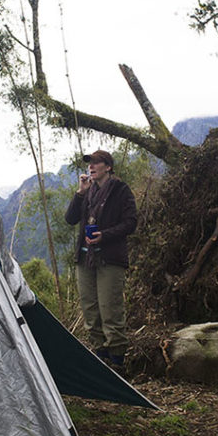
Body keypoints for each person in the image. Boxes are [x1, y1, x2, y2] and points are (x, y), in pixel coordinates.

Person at [65, 149, 137, 371]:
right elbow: (70, 219)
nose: (91, 166)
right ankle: (101, 356)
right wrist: (80, 192)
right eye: (90, 163)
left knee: (110, 309)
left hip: (110, 258)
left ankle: (117, 362)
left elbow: (131, 223)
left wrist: (104, 235)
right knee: (90, 308)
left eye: (96, 163)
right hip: (85, 258)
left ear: (108, 166)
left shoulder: (121, 190)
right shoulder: (87, 191)